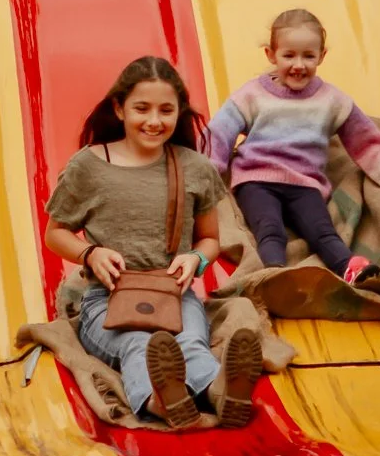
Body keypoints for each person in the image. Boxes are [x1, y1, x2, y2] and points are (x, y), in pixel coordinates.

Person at [43, 56, 261, 429]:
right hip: (107, 301)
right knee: (137, 344)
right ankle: (163, 402)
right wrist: (90, 253)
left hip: (176, 295)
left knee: (189, 343)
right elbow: (54, 233)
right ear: (119, 108)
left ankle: (222, 394)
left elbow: (210, 239)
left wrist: (196, 259)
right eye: (141, 109)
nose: (154, 121)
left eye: (166, 110)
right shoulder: (88, 166)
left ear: (179, 112)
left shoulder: (194, 167)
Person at [207, 8, 380, 284]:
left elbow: (368, 142)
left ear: (321, 56)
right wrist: (209, 175)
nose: (299, 64)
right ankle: (275, 274)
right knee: (270, 228)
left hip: (305, 183)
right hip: (256, 179)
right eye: (289, 55)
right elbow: (220, 133)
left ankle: (351, 268)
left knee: (323, 232)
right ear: (271, 55)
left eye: (308, 56)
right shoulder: (252, 95)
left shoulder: (332, 101)